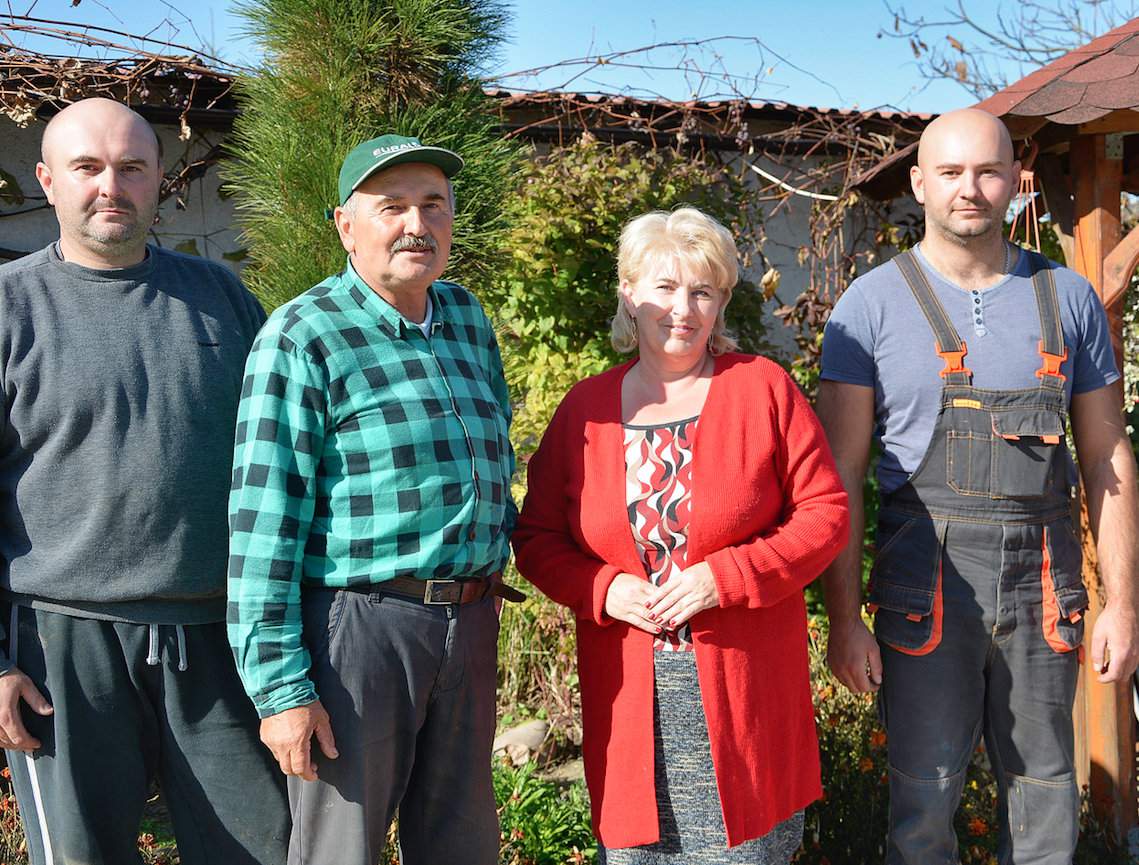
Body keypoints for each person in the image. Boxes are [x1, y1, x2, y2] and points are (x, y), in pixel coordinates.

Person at [818, 108, 1139, 865]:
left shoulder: (1067, 299)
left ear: (1016, 184)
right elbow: (839, 474)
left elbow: (1107, 459)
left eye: (988, 171)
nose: (970, 188)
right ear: (920, 183)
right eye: (952, 172)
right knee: (922, 802)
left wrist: (1122, 603)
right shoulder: (866, 308)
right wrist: (840, 617)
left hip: (1045, 583)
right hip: (921, 585)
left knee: (1045, 795)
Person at [512, 207, 849, 864]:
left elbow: (825, 514)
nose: (682, 308)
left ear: (721, 302)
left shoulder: (762, 390)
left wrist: (726, 575)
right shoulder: (585, 411)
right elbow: (536, 537)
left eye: (702, 291)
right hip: (629, 703)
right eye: (664, 287)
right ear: (628, 293)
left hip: (743, 700)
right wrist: (602, 589)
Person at [0, 98, 289, 864]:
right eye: (87, 167)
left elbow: (282, 463)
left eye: (132, 167)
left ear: (160, 178)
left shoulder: (225, 299)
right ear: (48, 179)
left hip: (218, 635)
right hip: (62, 642)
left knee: (257, 849)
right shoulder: (8, 306)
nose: (110, 186)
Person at [228, 133, 521, 865]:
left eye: (433, 205)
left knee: (461, 846)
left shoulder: (465, 319)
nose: (415, 224)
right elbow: (263, 524)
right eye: (391, 207)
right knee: (341, 849)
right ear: (344, 225)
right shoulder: (302, 335)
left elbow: (495, 460)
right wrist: (281, 690)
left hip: (469, 621)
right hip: (359, 633)